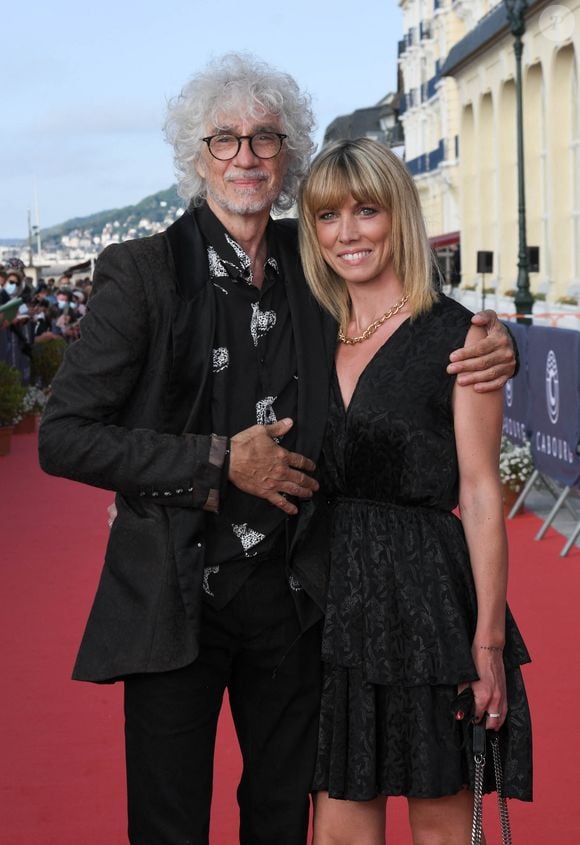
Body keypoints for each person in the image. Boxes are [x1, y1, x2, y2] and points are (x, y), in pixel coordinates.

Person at [39, 54, 518, 845]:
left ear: (289, 154)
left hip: (296, 602)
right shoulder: (146, 271)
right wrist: (218, 460)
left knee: (282, 822)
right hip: (174, 594)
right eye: (223, 139)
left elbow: (407, 313)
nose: (246, 157)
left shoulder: (309, 258)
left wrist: (498, 346)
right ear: (196, 158)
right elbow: (64, 436)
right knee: (169, 828)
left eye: (265, 138)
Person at [298, 138, 532, 845]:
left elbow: (481, 490)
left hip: (424, 597)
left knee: (440, 825)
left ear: (396, 213)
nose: (347, 233)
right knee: (338, 826)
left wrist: (487, 638)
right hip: (328, 603)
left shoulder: (458, 336)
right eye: (328, 217)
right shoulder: (307, 333)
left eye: (365, 210)